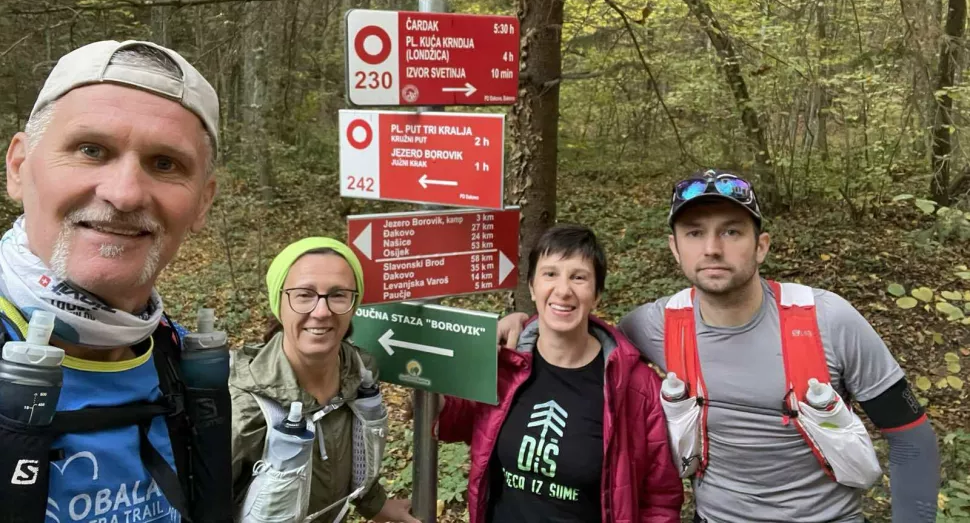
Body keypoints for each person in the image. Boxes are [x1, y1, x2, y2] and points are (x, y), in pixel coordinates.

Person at [499, 170, 940, 523]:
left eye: (731, 232)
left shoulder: (827, 320)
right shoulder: (654, 325)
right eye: (694, 233)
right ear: (675, 249)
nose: (712, 249)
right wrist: (525, 325)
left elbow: (911, 438)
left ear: (761, 246)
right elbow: (579, 334)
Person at [0, 40, 230, 522]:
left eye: (165, 164)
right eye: (91, 150)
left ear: (202, 202)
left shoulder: (181, 363)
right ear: (19, 167)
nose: (125, 194)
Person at [436, 224, 683, 523]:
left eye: (579, 277)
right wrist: (428, 391)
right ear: (532, 287)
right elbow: (458, 421)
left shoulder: (635, 387)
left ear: (597, 294)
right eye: (550, 274)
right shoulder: (505, 365)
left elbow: (659, 499)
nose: (563, 290)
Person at [230, 237, 419, 523]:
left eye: (338, 295)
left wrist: (375, 504)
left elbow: (357, 454)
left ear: (353, 304)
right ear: (279, 303)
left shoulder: (359, 373)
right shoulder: (240, 402)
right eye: (304, 295)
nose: (321, 312)